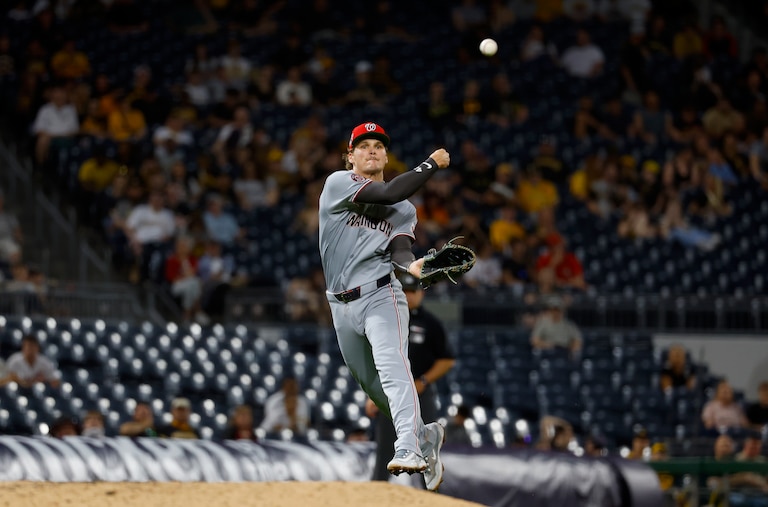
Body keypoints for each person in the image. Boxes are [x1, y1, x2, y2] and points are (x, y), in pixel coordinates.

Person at [318, 121, 450, 490]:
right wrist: (431, 164)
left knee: (393, 367)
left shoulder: (405, 210)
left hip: (382, 295)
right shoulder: (338, 184)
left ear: (386, 155)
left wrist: (412, 266)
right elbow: (389, 192)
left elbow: (400, 249)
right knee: (374, 387)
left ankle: (408, 447)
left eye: (378, 145)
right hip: (339, 304)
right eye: (363, 146)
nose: (371, 150)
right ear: (350, 157)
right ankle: (426, 436)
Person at [366, 271, 456, 485]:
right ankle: (376, 494)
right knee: (385, 448)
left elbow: (447, 359)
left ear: (421, 294)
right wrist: (372, 394)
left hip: (421, 393)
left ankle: (432, 497)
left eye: (412, 291)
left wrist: (423, 381)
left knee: (428, 447)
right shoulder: (386, 319)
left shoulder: (430, 323)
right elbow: (375, 359)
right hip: (392, 394)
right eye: (404, 291)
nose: (408, 295)